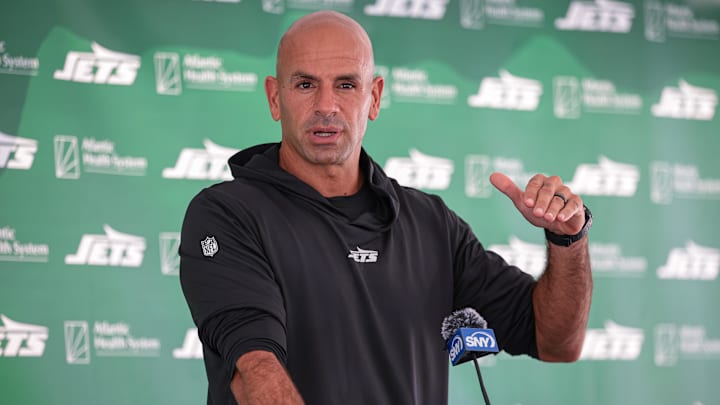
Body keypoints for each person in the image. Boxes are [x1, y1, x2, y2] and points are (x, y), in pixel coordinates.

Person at [179, 10, 593, 405]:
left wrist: (567, 239)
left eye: (345, 85)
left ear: (374, 97)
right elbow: (255, 372)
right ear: (275, 98)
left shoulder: (430, 223)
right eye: (305, 85)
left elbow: (556, 341)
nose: (326, 105)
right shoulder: (227, 215)